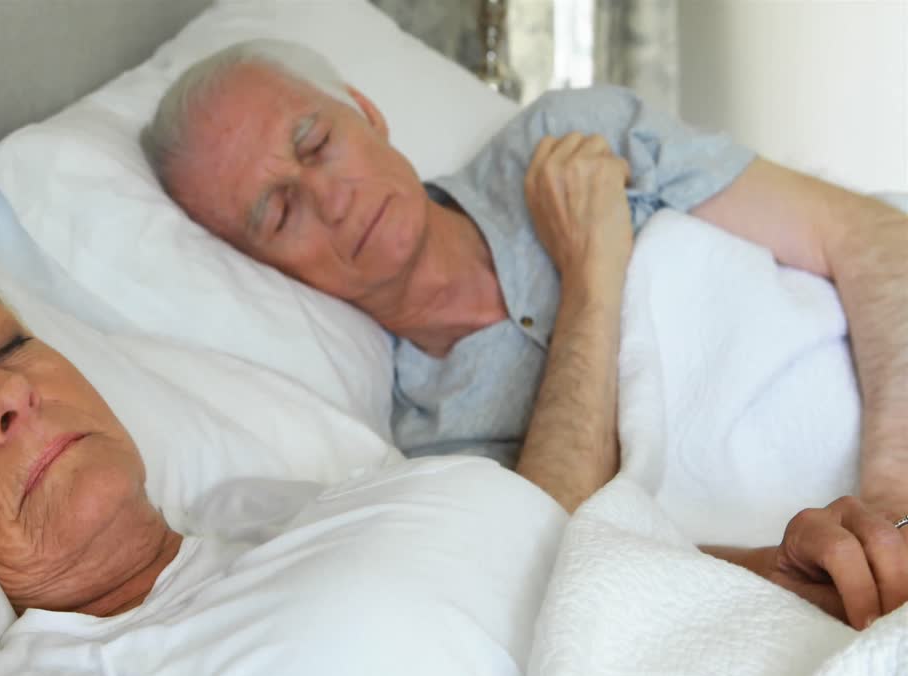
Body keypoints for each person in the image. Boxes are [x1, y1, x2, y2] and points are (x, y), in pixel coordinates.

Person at [0, 225, 907, 676]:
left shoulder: (267, 505)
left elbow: (553, 581)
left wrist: (777, 571)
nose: (8, 394)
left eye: (3, 341)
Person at [140, 40, 908, 622]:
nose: (331, 200)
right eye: (279, 211)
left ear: (367, 112)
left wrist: (891, 494)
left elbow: (866, 236)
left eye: (316, 145)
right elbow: (575, 550)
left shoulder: (566, 145)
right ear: (264, 265)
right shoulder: (435, 441)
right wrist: (593, 271)